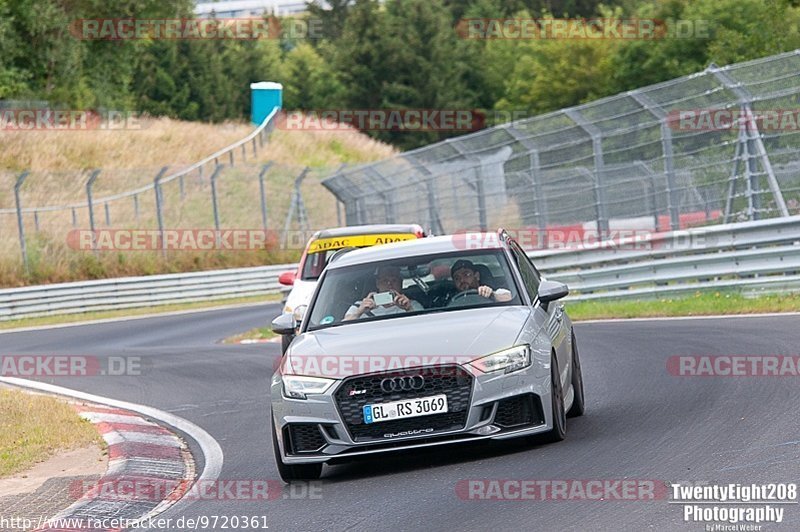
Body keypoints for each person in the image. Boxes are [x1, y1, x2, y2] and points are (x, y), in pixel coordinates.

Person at [343, 266, 424, 320]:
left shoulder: (412, 305)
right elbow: (343, 328)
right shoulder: (359, 306)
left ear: (401, 283)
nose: (389, 284)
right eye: (385, 281)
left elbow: (424, 326)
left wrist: (409, 309)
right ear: (377, 283)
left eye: (394, 280)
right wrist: (359, 312)